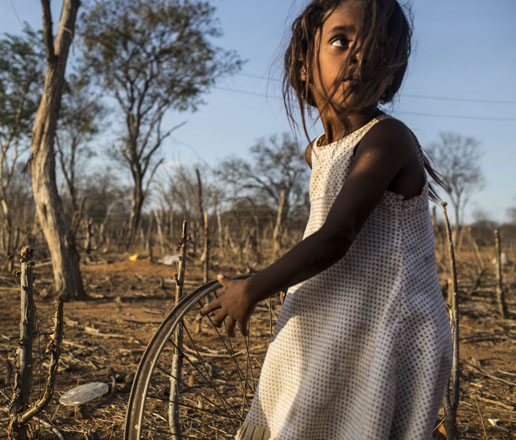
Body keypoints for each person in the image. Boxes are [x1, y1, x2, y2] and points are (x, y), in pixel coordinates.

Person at [200, 0, 453, 438]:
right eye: (341, 41)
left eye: (379, 48)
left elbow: (335, 238)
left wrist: (256, 288)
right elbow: (322, 228)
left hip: (388, 325)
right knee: (296, 407)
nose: (360, 57)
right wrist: (291, 282)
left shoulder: (387, 139)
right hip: (343, 308)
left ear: (392, 72)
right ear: (303, 63)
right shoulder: (317, 151)